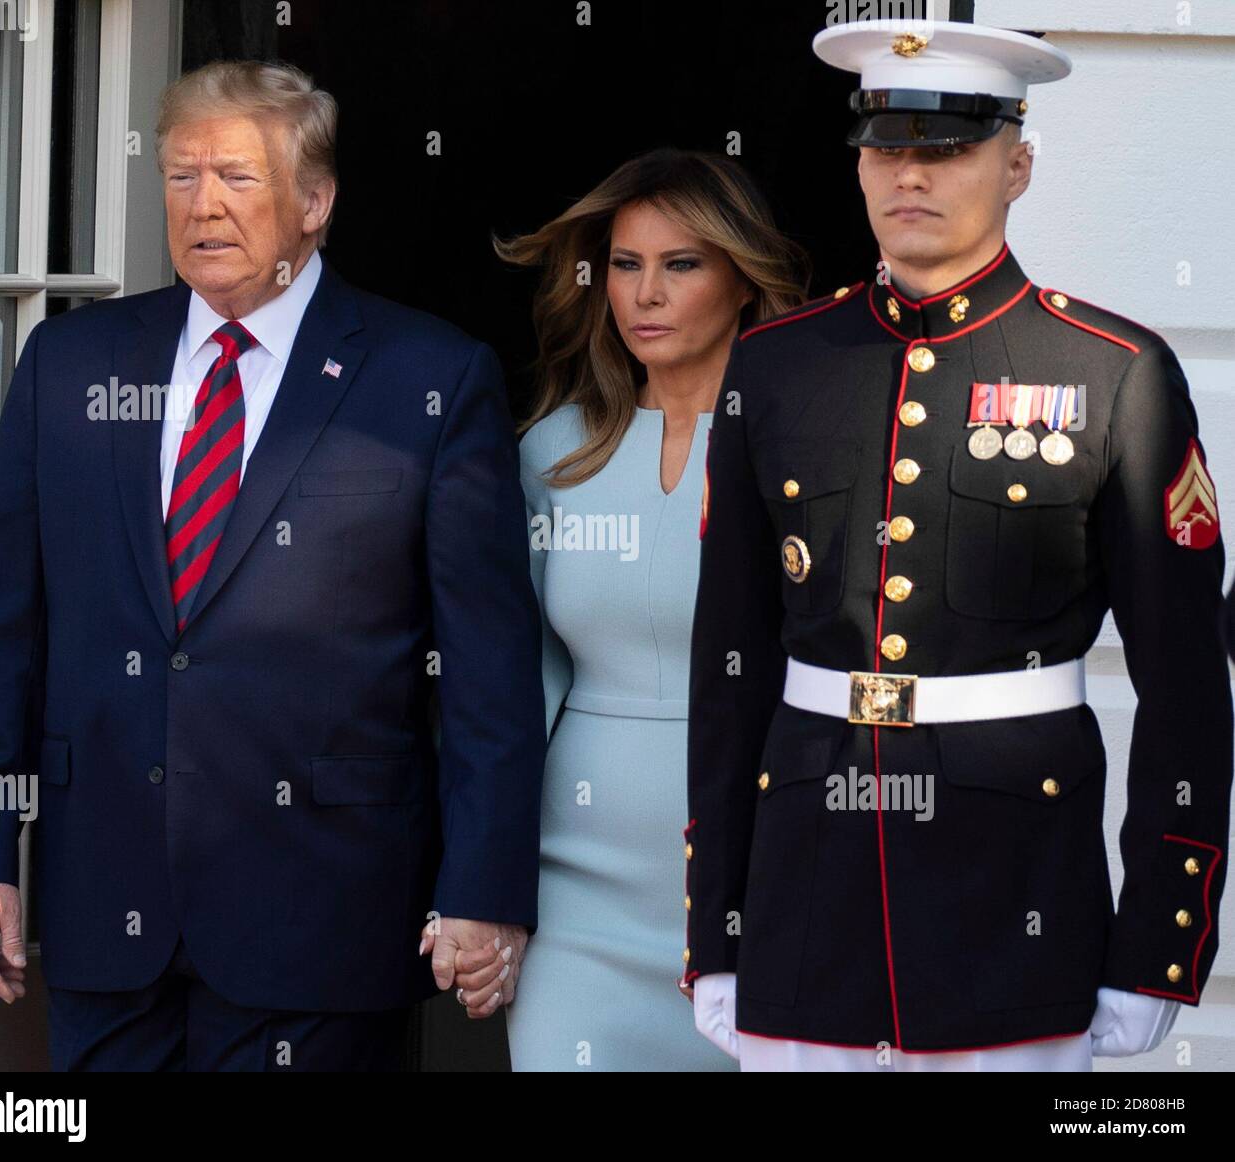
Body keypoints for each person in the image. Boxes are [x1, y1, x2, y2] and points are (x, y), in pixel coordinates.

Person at [0, 60, 545, 1071]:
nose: (203, 207)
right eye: (180, 178)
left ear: (316, 201)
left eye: (237, 178)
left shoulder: (428, 378)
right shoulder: (71, 363)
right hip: (107, 914)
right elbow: (1, 631)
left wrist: (484, 892)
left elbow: (487, 672)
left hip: (324, 922)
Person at [684, 20, 1232, 1072]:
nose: (911, 175)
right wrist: (718, 925)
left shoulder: (1112, 373)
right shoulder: (777, 366)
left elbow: (1183, 691)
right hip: (807, 910)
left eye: (949, 147)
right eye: (886, 147)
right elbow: (730, 669)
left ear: (1017, 163)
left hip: (1014, 913)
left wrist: (1158, 944)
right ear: (855, 161)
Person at [469, 149, 806, 1069]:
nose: (644, 293)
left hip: (765, 887)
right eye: (625, 265)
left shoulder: (810, 452)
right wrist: (480, 883)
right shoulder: (553, 451)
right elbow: (512, 688)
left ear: (744, 278)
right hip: (575, 900)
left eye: (680, 264)